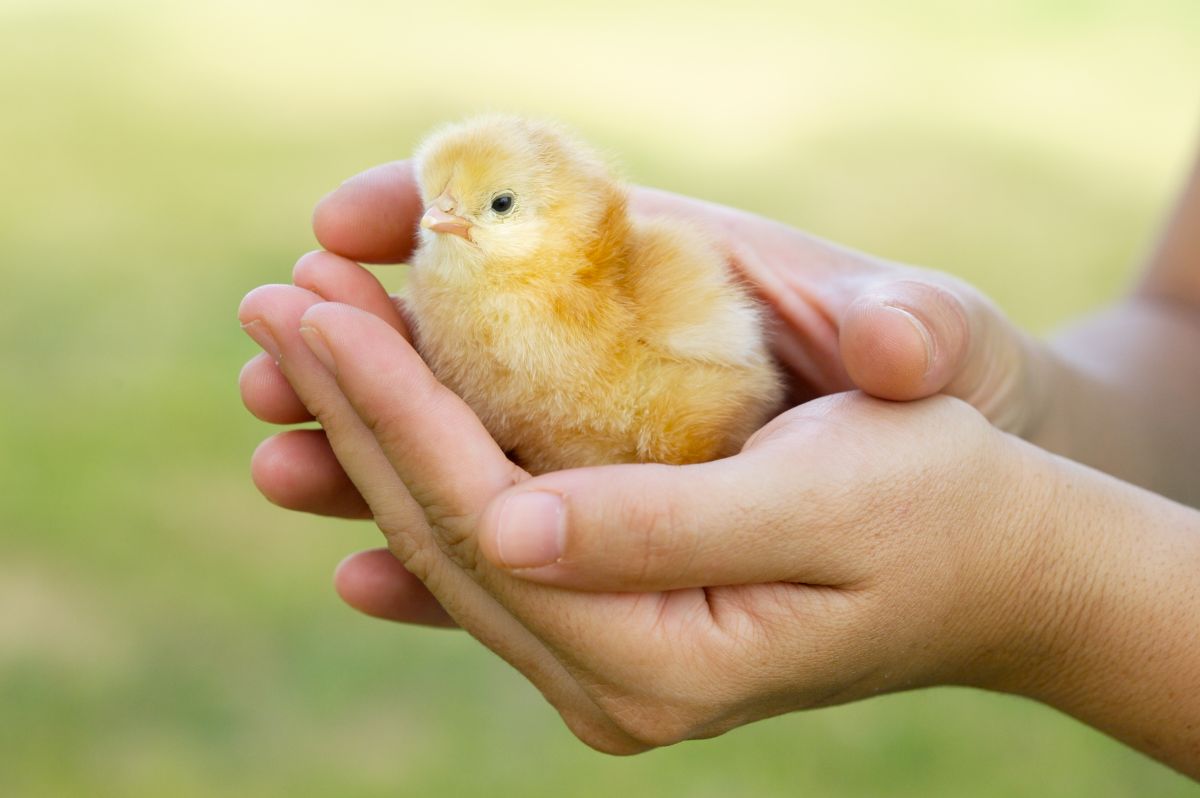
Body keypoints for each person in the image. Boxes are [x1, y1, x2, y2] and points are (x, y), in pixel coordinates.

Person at [237, 143, 1200, 776]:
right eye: (443, 203)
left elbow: (687, 367)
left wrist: (1045, 579)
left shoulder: (602, 283)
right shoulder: (480, 277)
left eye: (488, 205)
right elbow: (1185, 323)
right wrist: (1037, 411)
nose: (447, 223)